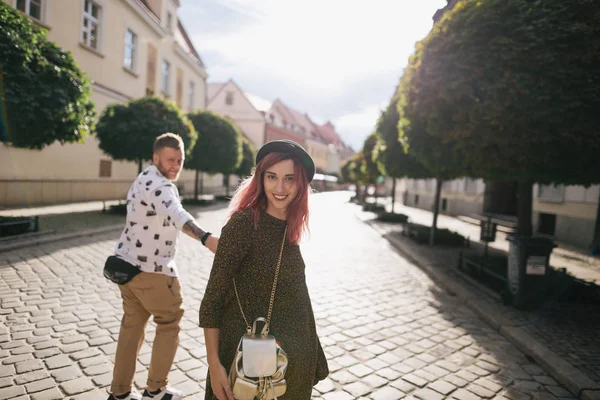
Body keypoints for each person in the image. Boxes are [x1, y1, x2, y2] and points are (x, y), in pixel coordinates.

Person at [199, 139, 329, 400]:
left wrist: (312, 355)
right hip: (250, 368)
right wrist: (215, 366)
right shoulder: (244, 225)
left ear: (301, 184)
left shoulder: (290, 226)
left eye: (289, 179)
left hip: (291, 371)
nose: (280, 188)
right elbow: (211, 303)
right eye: (272, 177)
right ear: (261, 178)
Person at [108, 133, 219, 400]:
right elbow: (178, 214)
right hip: (153, 272)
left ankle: (120, 393)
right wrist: (206, 238)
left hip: (127, 269)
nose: (175, 165)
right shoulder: (162, 186)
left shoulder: (143, 178)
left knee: (131, 329)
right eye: (170, 159)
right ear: (156, 157)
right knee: (169, 321)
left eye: (179, 160)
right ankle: (156, 389)